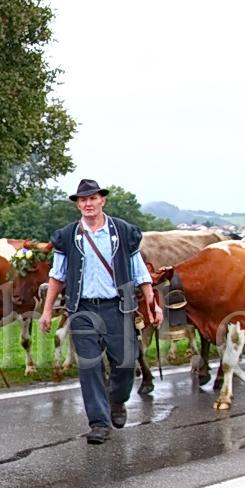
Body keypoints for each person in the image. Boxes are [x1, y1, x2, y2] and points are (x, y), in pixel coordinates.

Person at [38, 179, 163, 444]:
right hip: (82, 308)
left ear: (102, 201)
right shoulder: (67, 236)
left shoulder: (123, 232)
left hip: (116, 307)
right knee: (90, 365)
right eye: (82, 200)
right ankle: (98, 422)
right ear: (78, 205)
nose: (88, 204)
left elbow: (140, 272)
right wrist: (47, 311)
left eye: (92, 198)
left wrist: (152, 304)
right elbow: (57, 276)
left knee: (125, 362)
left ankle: (117, 400)